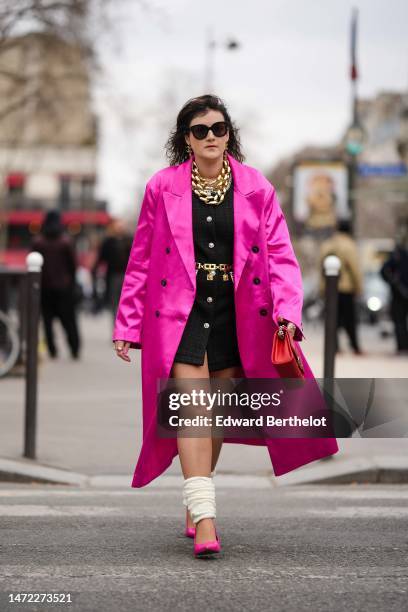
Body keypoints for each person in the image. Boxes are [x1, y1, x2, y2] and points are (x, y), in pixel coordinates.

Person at [113, 94, 338, 558]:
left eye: (219, 128)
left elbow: (281, 256)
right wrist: (127, 323)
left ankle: (196, 499)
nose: (211, 137)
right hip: (181, 316)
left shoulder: (257, 187)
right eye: (201, 130)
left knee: (213, 418)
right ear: (186, 140)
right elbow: (140, 261)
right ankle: (207, 518)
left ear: (229, 133)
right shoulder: (161, 188)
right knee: (194, 412)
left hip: (239, 316)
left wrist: (288, 314)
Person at [31, 209, 81, 360]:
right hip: (64, 287)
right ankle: (74, 348)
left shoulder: (38, 242)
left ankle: (52, 349)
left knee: (47, 320)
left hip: (44, 287)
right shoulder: (66, 241)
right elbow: (73, 265)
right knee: (69, 320)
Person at [319, 220, 364, 355]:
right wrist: (358, 287)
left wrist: (322, 288)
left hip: (330, 288)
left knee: (333, 319)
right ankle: (355, 347)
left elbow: (321, 268)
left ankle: (334, 347)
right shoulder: (350, 245)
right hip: (346, 288)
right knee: (350, 319)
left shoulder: (327, 245)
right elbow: (354, 268)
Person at [92, 219, 132, 329]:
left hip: (127, 276)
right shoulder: (108, 242)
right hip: (113, 276)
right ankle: (117, 328)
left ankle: (125, 328)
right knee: (114, 303)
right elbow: (101, 258)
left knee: (126, 302)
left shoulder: (129, 240)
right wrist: (94, 270)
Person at [381, 227, 408, 354]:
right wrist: (393, 282)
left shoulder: (398, 254)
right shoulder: (397, 254)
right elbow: (384, 271)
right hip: (399, 293)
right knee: (399, 321)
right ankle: (402, 346)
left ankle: (402, 346)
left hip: (400, 292)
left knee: (399, 321)